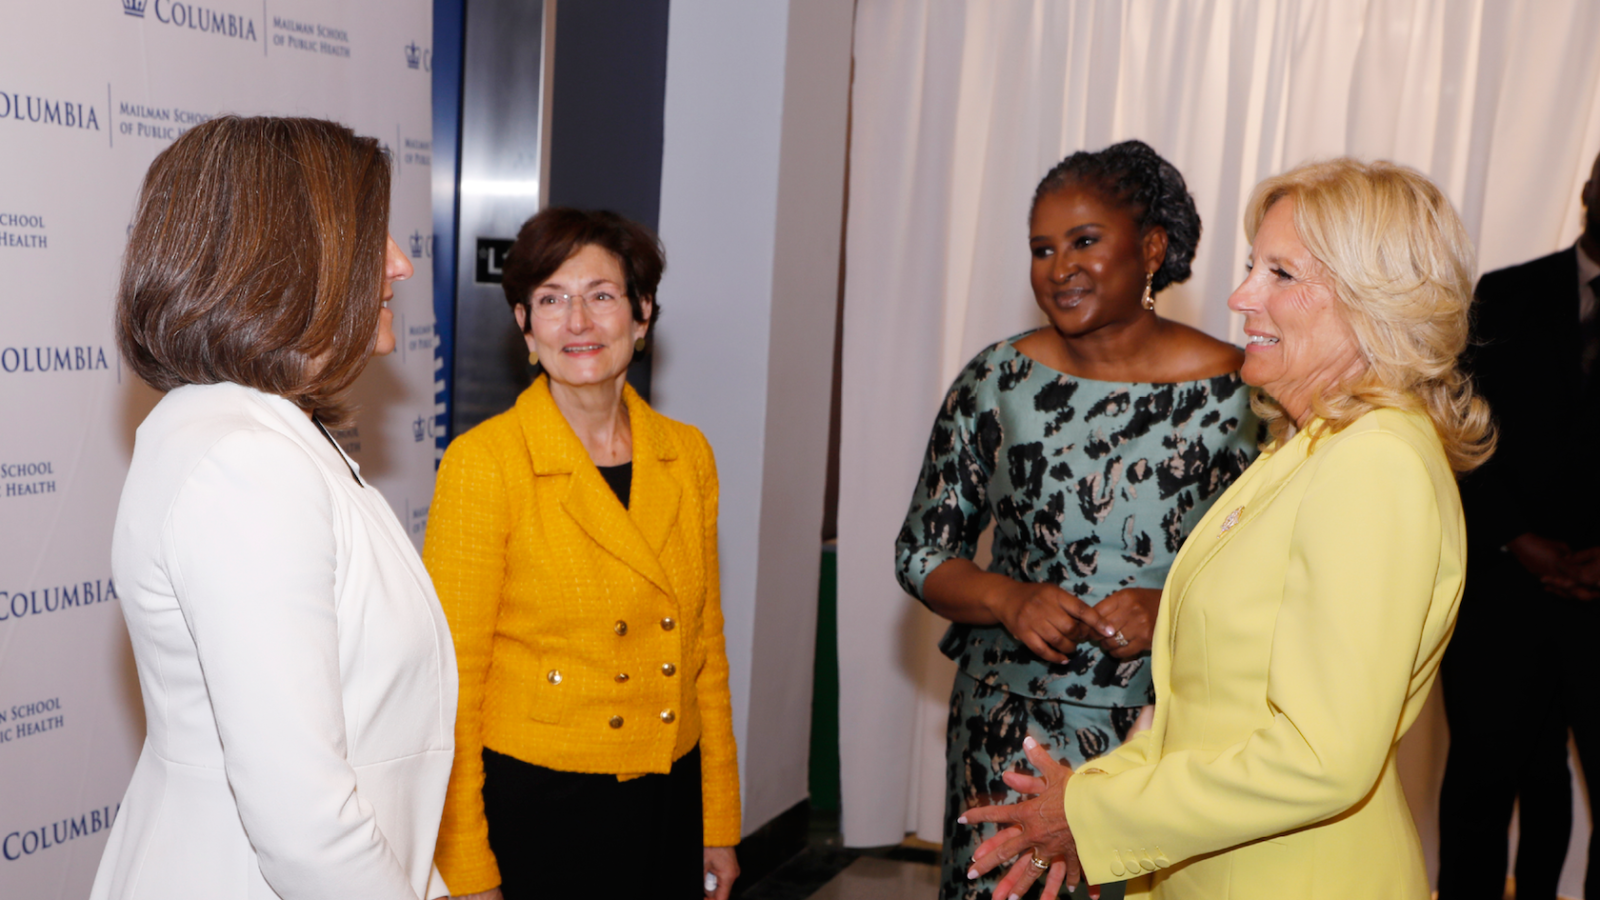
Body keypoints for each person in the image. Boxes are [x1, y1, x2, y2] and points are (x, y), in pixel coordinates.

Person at [961, 158, 1495, 900]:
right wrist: (1090, 791)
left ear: (1375, 300)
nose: (1241, 296)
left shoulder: (1375, 463)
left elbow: (1319, 756)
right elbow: (1209, 707)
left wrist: (1092, 811)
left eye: (1281, 274)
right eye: (1252, 266)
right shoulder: (1312, 446)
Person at [92, 116, 456, 900]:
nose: (398, 265)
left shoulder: (253, 434)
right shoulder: (244, 462)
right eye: (372, 239)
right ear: (287, 260)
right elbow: (307, 829)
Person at [894, 139, 1260, 900]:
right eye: (1041, 249)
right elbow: (923, 552)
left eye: (1085, 241)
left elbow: (1278, 577)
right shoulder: (997, 382)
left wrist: (1172, 610)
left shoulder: (1244, 397)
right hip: (1008, 729)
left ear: (1151, 247)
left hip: (1169, 731)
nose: (1059, 267)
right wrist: (1007, 598)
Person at [425, 207, 740, 900]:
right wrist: (467, 866)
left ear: (643, 312)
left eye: (601, 296)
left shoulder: (685, 455)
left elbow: (704, 650)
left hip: (667, 793)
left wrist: (718, 818)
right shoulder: (486, 465)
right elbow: (451, 685)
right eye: (551, 300)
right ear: (524, 325)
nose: (578, 322)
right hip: (542, 806)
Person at [1438, 148, 1600, 900]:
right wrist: (1520, 539)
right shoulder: (1503, 295)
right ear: (1588, 189)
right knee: (1482, 785)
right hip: (1501, 592)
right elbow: (1458, 433)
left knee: (1566, 796)